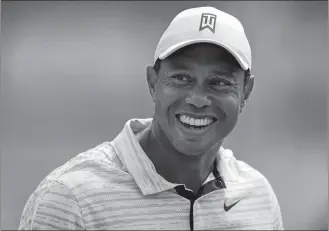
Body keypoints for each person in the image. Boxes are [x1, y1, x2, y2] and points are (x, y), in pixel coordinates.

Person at [19, 6, 283, 230]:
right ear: (153, 82)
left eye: (220, 82)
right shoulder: (71, 199)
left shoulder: (257, 197)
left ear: (246, 92)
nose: (198, 98)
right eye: (181, 78)